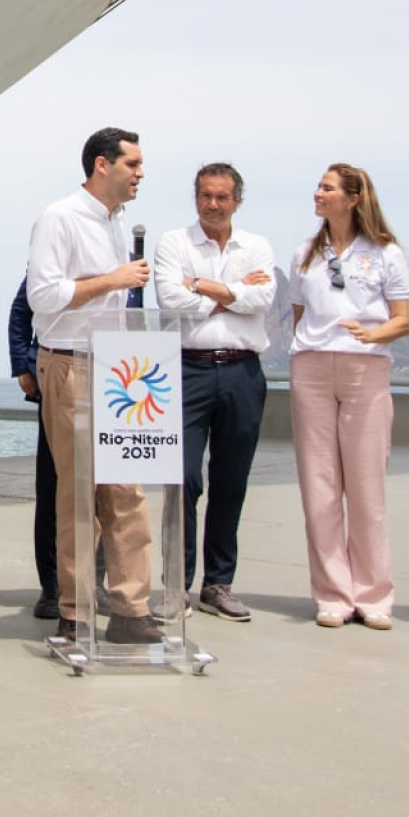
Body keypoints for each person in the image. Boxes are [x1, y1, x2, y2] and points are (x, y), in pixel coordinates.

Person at [25, 127, 156, 644]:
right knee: (79, 494)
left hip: (121, 369)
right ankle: (75, 610)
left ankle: (130, 608)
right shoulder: (60, 218)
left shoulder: (117, 221)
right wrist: (113, 280)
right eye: (133, 164)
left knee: (128, 492)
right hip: (71, 365)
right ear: (103, 165)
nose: (140, 173)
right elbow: (44, 295)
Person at [287, 163, 409, 629]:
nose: (318, 193)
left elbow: (402, 319)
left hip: (367, 366)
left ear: (354, 197)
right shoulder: (306, 252)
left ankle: (374, 595)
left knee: (365, 488)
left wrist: (372, 333)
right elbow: (301, 314)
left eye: (328, 188)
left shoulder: (385, 252)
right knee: (319, 487)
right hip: (312, 367)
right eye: (318, 185)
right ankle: (333, 594)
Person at [152, 162, 276, 622]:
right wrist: (232, 294)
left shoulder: (257, 245)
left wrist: (201, 285)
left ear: (237, 200)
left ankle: (218, 584)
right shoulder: (174, 242)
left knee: (231, 481)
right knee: (182, 478)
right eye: (205, 195)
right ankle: (175, 586)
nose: (213, 204)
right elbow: (171, 300)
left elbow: (263, 299)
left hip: (243, 372)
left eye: (222, 196)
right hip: (187, 370)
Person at [8, 279, 59, 620]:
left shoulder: (131, 259)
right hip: (60, 378)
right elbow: (20, 313)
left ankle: (96, 581)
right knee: (53, 490)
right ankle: (53, 585)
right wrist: (25, 362)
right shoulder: (51, 250)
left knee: (111, 494)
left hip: (118, 382)